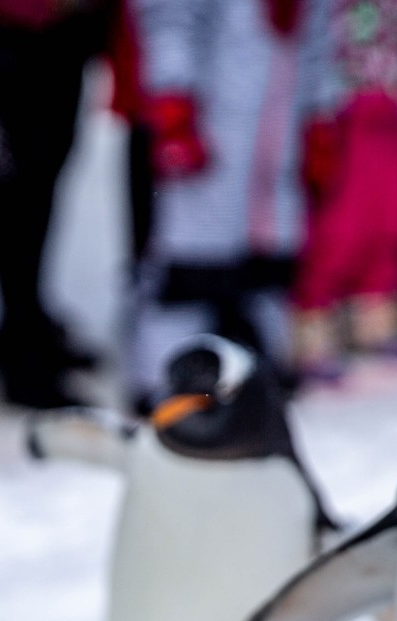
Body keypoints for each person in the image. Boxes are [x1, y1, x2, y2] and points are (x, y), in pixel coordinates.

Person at [127, 0, 336, 401]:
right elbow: (171, 18)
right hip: (214, 118)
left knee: (269, 259)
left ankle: (257, 373)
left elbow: (320, 43)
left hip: (278, 130)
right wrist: (173, 94)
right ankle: (164, 379)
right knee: (191, 261)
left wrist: (319, 114)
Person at [0, 0, 109, 409]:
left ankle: (27, 322)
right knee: (18, 200)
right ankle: (20, 355)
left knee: (43, 191)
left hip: (62, 34)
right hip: (11, 36)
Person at [290, 0, 397, 382]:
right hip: (341, 108)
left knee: (391, 217)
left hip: (394, 104)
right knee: (339, 223)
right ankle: (314, 323)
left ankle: (376, 313)